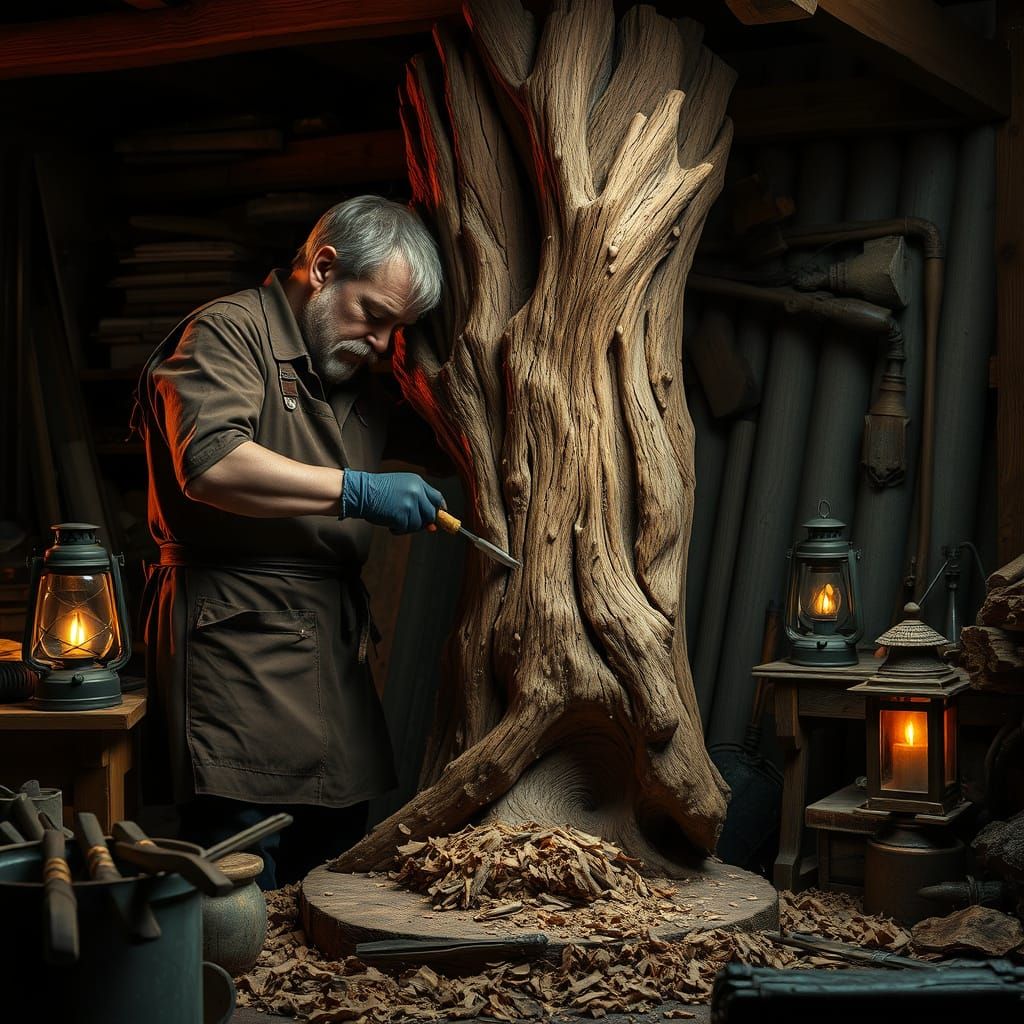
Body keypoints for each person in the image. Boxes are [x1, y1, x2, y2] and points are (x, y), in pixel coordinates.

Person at [135, 196, 446, 888]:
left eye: (400, 329)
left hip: (331, 666)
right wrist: (358, 491)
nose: (382, 345)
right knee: (242, 886)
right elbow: (212, 464)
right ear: (324, 266)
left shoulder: (358, 368)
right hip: (236, 650)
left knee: (335, 878)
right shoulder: (227, 332)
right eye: (374, 316)